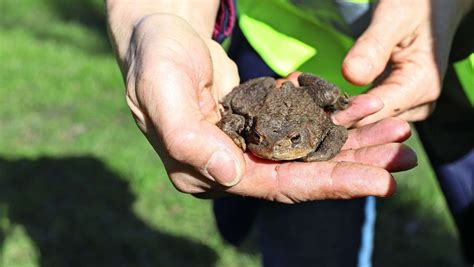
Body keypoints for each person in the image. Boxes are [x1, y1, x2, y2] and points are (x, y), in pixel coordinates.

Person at [105, 0, 472, 265]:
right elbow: (234, 117)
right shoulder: (257, 130)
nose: (272, 149)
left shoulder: (315, 130)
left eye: (288, 144)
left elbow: (334, 134)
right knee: (309, 250)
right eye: (263, 142)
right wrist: (162, 12)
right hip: (283, 46)